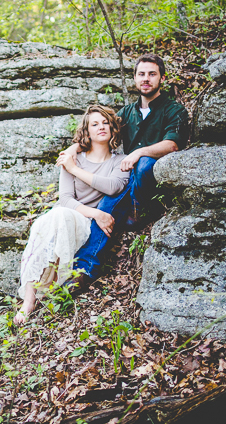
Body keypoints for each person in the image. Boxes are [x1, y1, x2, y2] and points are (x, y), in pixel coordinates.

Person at [58, 53, 190, 291]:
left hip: (153, 186)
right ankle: (84, 271)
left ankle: (139, 212)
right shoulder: (127, 113)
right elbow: (100, 130)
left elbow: (172, 145)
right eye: (142, 74)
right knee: (106, 205)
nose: (146, 79)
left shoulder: (174, 110)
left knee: (143, 164)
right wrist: (72, 148)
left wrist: (139, 153)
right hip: (125, 185)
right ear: (135, 78)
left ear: (162, 77)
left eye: (152, 74)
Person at [14, 105, 129, 325]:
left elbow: (113, 187)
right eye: (94, 124)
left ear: (113, 128)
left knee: (59, 217)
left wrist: (74, 169)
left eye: (105, 122)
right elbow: (65, 199)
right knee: (48, 220)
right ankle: (28, 302)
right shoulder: (72, 158)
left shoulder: (119, 161)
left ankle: (54, 289)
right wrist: (96, 213)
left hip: (85, 225)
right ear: (87, 131)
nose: (101, 127)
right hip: (70, 215)